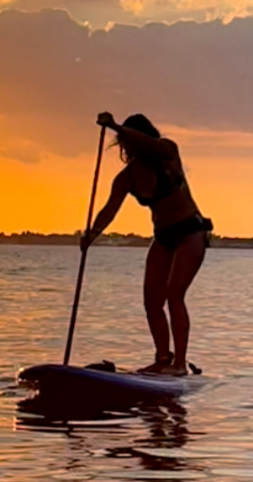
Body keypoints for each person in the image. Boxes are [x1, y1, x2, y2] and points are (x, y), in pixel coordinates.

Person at [81, 111, 212, 376]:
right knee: (152, 302)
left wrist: (116, 126)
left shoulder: (167, 152)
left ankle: (179, 365)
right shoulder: (127, 178)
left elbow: (150, 145)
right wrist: (90, 235)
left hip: (191, 231)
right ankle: (163, 358)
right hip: (163, 237)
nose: (127, 147)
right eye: (124, 142)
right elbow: (109, 210)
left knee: (174, 294)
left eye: (130, 140)